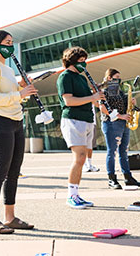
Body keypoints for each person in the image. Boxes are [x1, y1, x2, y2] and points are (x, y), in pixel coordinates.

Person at [0, 30, 38, 234]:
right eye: (7, 42)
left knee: (14, 172)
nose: (11, 46)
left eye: (12, 42)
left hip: (15, 120)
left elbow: (13, 97)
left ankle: (10, 217)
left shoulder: (7, 69)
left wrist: (23, 91)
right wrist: (19, 92)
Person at [56, 47, 105, 208]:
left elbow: (89, 99)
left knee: (82, 158)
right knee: (79, 158)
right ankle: (71, 195)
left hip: (86, 119)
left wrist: (96, 96)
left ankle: (76, 194)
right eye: (81, 61)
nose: (84, 64)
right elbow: (69, 101)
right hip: (73, 119)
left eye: (85, 60)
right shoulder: (65, 77)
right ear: (72, 61)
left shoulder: (81, 78)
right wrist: (93, 96)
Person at [97, 68, 140, 189]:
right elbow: (102, 107)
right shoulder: (105, 91)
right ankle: (111, 179)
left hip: (123, 123)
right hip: (112, 123)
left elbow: (125, 105)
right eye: (116, 77)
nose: (118, 80)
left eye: (119, 78)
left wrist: (132, 103)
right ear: (109, 78)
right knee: (112, 151)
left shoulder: (120, 92)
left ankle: (128, 177)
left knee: (124, 151)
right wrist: (119, 116)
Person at [83, 105, 101, 173]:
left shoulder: (92, 94)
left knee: (90, 145)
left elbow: (96, 103)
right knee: (82, 145)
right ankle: (83, 164)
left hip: (92, 121)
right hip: (82, 121)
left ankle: (89, 164)